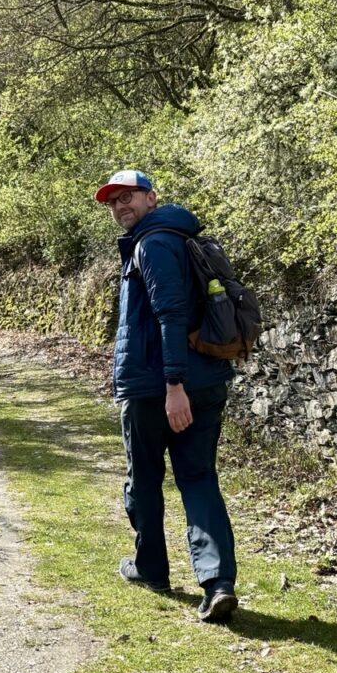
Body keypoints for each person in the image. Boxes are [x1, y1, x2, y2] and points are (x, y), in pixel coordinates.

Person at [95, 169, 239, 623]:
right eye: (113, 201)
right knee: (198, 480)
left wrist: (174, 387)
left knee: (145, 478)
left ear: (151, 197)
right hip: (205, 378)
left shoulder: (152, 243)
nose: (120, 206)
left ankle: (151, 568)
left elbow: (170, 314)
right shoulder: (183, 237)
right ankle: (218, 583)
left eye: (129, 196)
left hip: (158, 386)